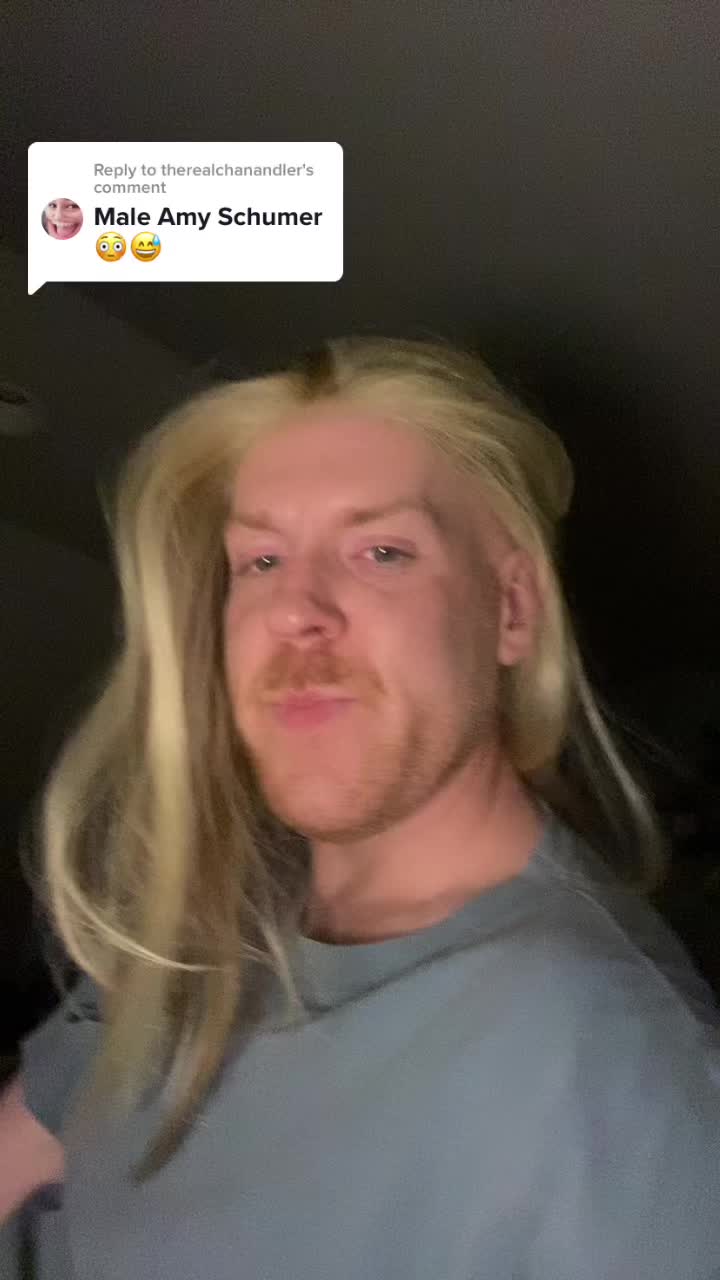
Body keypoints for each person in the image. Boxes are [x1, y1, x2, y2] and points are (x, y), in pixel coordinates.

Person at [1, 337, 719, 1279]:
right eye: (260, 560)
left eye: (382, 551)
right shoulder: (216, 920)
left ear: (510, 611)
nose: (296, 610)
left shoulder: (614, 1066)